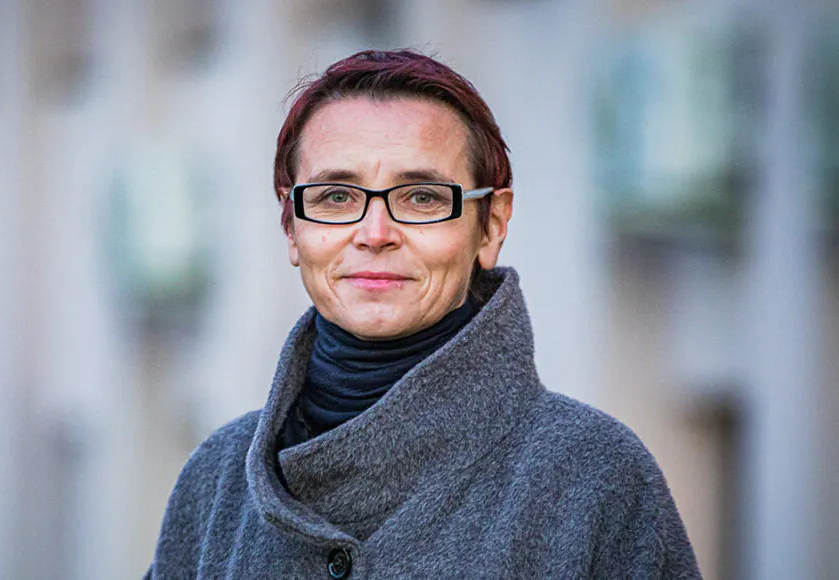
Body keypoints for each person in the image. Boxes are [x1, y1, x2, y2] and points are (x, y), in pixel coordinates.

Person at [146, 50, 700, 578]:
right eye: (336, 197)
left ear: (492, 225)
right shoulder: (216, 480)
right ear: (292, 227)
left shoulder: (595, 477)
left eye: (422, 197)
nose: (374, 234)